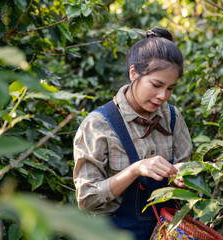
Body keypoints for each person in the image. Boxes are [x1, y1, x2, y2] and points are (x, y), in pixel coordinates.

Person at [73, 27, 193, 240]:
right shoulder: (99, 125)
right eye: (156, 85)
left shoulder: (172, 117)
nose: (162, 96)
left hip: (166, 232)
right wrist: (135, 169)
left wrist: (182, 176)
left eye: (170, 88)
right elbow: (87, 199)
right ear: (133, 74)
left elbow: (185, 176)